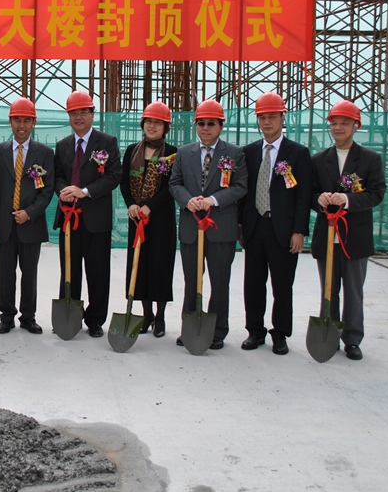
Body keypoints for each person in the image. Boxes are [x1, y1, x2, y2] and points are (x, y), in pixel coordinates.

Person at [238, 92, 313, 355]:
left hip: (282, 229)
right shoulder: (248, 152)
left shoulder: (298, 153)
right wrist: (240, 227)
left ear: (283, 117)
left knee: (282, 284)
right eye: (262, 117)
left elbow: (303, 196)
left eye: (272, 116)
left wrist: (299, 231)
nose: (267, 122)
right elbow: (242, 193)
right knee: (253, 282)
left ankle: (280, 333)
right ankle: (254, 331)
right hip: (255, 226)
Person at [310, 100, 385, 361]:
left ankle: (352, 338)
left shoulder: (370, 159)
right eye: (334, 123)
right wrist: (318, 199)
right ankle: (328, 332)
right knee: (328, 288)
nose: (339, 127)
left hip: (355, 236)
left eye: (344, 123)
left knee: (354, 290)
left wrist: (348, 201)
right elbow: (309, 193)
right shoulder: (319, 160)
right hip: (326, 235)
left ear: (356, 125)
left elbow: (376, 194)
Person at [169, 99, 247, 350]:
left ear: (220, 125)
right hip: (192, 228)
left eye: (211, 123)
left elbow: (240, 186)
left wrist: (213, 200)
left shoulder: (234, 153)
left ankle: (217, 331)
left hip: (220, 228)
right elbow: (175, 183)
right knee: (192, 280)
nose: (205, 128)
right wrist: (189, 200)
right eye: (201, 123)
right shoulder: (184, 153)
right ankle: (190, 326)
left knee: (219, 281)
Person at [52, 91, 122, 338]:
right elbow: (57, 176)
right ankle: (69, 315)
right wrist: (65, 191)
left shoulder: (107, 142)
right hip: (68, 219)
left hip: (96, 220)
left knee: (98, 272)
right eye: (73, 113)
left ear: (93, 114)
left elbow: (114, 176)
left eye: (83, 112)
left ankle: (95, 320)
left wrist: (84, 191)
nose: (78, 117)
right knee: (69, 270)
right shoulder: (62, 146)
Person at [0, 98, 53, 335]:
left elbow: (47, 191)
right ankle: (6, 316)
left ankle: (28, 317)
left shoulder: (44, 153)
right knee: (6, 273)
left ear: (34, 122)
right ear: (10, 121)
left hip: (31, 224)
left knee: (29, 273)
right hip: (3, 224)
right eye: (17, 120)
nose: (21, 125)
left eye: (26, 120)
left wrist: (30, 212)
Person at [120, 101, 178, 338]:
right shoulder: (132, 150)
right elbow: (123, 182)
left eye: (158, 123)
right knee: (139, 265)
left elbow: (171, 186)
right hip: (137, 220)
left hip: (161, 220)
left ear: (166, 127)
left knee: (160, 266)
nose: (152, 126)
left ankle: (161, 316)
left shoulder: (173, 152)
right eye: (149, 122)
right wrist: (132, 205)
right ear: (143, 124)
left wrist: (149, 207)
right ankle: (146, 315)